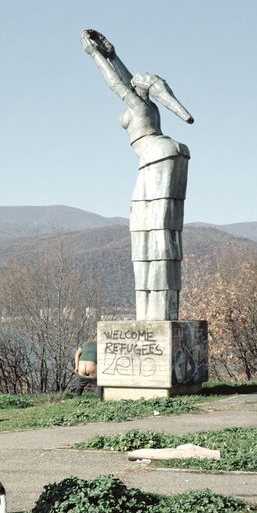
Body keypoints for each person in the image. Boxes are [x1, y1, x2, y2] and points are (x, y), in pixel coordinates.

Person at [81, 29, 194, 321]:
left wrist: (95, 56)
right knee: (159, 231)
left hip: (156, 158)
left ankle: (154, 313)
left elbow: (116, 83)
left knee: (151, 232)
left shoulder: (139, 104)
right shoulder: (149, 106)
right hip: (167, 152)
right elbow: (129, 79)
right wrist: (113, 53)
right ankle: (158, 311)